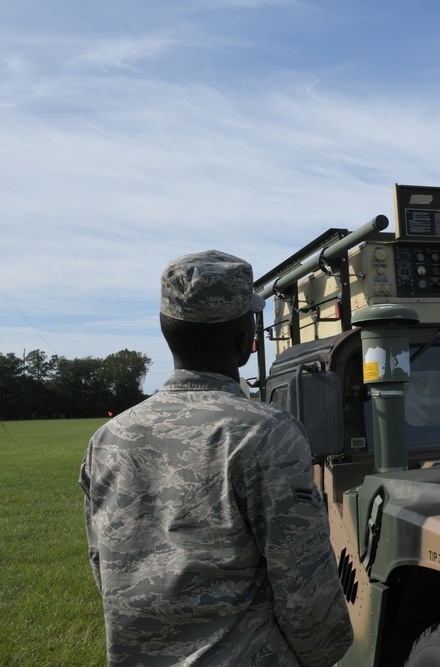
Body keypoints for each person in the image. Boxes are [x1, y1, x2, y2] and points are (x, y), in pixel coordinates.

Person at [80, 250, 353, 666]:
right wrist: (326, 655)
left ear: (167, 332)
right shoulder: (265, 433)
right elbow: (303, 580)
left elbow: (104, 564)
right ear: (246, 340)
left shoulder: (107, 439)